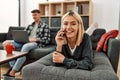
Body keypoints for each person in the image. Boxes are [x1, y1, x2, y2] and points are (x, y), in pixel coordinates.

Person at [2, 9, 50, 77]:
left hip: (36, 43)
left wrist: (35, 39)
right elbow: (23, 35)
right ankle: (15, 68)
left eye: (35, 15)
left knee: (26, 46)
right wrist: (16, 39)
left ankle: (13, 71)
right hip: (25, 41)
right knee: (7, 43)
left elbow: (46, 40)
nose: (34, 16)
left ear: (40, 15)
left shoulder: (45, 26)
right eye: (33, 15)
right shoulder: (29, 25)